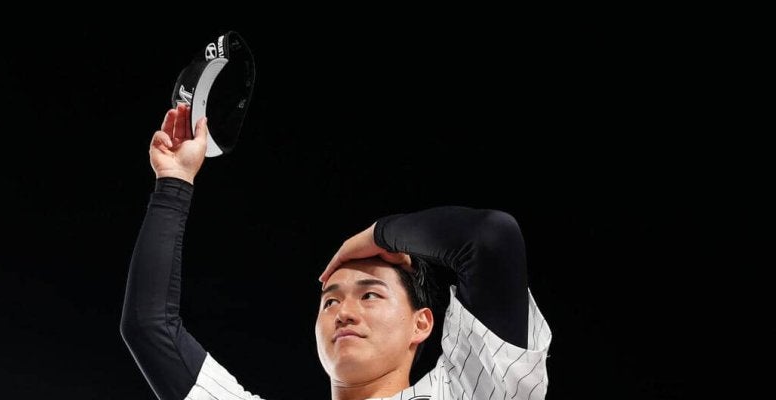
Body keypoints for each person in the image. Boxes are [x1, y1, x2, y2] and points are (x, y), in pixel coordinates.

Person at [120, 104, 552, 400]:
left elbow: (488, 238)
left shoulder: (463, 391)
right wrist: (174, 183)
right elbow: (149, 327)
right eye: (330, 302)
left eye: (370, 294)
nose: (344, 312)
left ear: (421, 323)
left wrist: (381, 235)